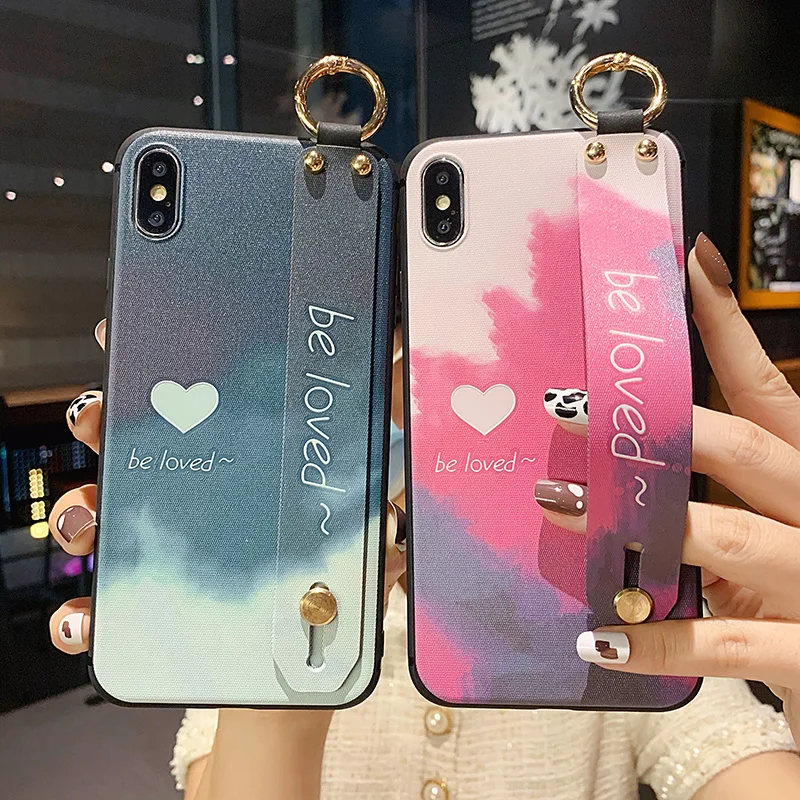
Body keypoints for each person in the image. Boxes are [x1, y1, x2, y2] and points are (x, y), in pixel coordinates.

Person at [49, 235, 800, 799]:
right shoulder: (263, 604)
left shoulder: (601, 597)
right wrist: (288, 654)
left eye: (494, 365)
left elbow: (734, 754)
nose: (430, 407)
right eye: (404, 363)